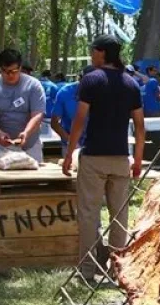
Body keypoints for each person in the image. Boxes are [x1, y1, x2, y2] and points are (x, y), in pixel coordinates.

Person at [61, 35, 144, 277]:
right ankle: (118, 269)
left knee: (88, 214)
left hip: (94, 156)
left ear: (101, 53)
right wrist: (137, 159)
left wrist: (69, 153)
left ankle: (87, 269)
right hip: (120, 157)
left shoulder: (91, 80)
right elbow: (139, 126)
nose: (91, 55)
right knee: (119, 216)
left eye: (92, 51)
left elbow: (79, 120)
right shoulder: (131, 84)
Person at [0, 48, 47, 161]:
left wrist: (26, 133)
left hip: (29, 147)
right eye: (6, 71)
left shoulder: (34, 86)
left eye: (14, 71)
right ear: (0, 68)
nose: (10, 75)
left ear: (20, 68)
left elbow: (37, 115)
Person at [51, 65, 96, 156]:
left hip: (96, 146)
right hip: (71, 146)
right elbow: (55, 123)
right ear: (80, 79)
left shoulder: (104, 92)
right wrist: (71, 141)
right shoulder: (65, 93)